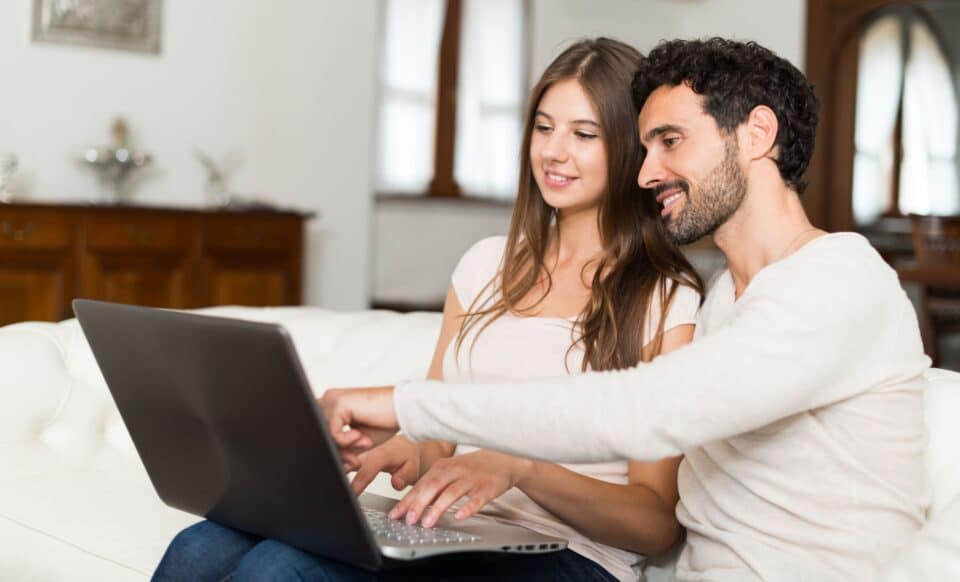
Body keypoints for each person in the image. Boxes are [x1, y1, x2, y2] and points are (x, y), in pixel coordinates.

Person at [323, 38, 932, 581]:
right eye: (642, 149)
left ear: (757, 134)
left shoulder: (841, 279)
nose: (644, 174)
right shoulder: (726, 299)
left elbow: (648, 408)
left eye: (669, 142)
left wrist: (408, 405)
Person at [153, 37, 704, 582]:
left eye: (583, 134)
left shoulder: (664, 298)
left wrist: (521, 469)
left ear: (632, 148)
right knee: (200, 546)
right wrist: (393, 453)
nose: (553, 152)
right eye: (543, 127)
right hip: (457, 526)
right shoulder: (484, 265)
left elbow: (655, 522)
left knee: (281, 569)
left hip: (573, 556)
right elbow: (439, 439)